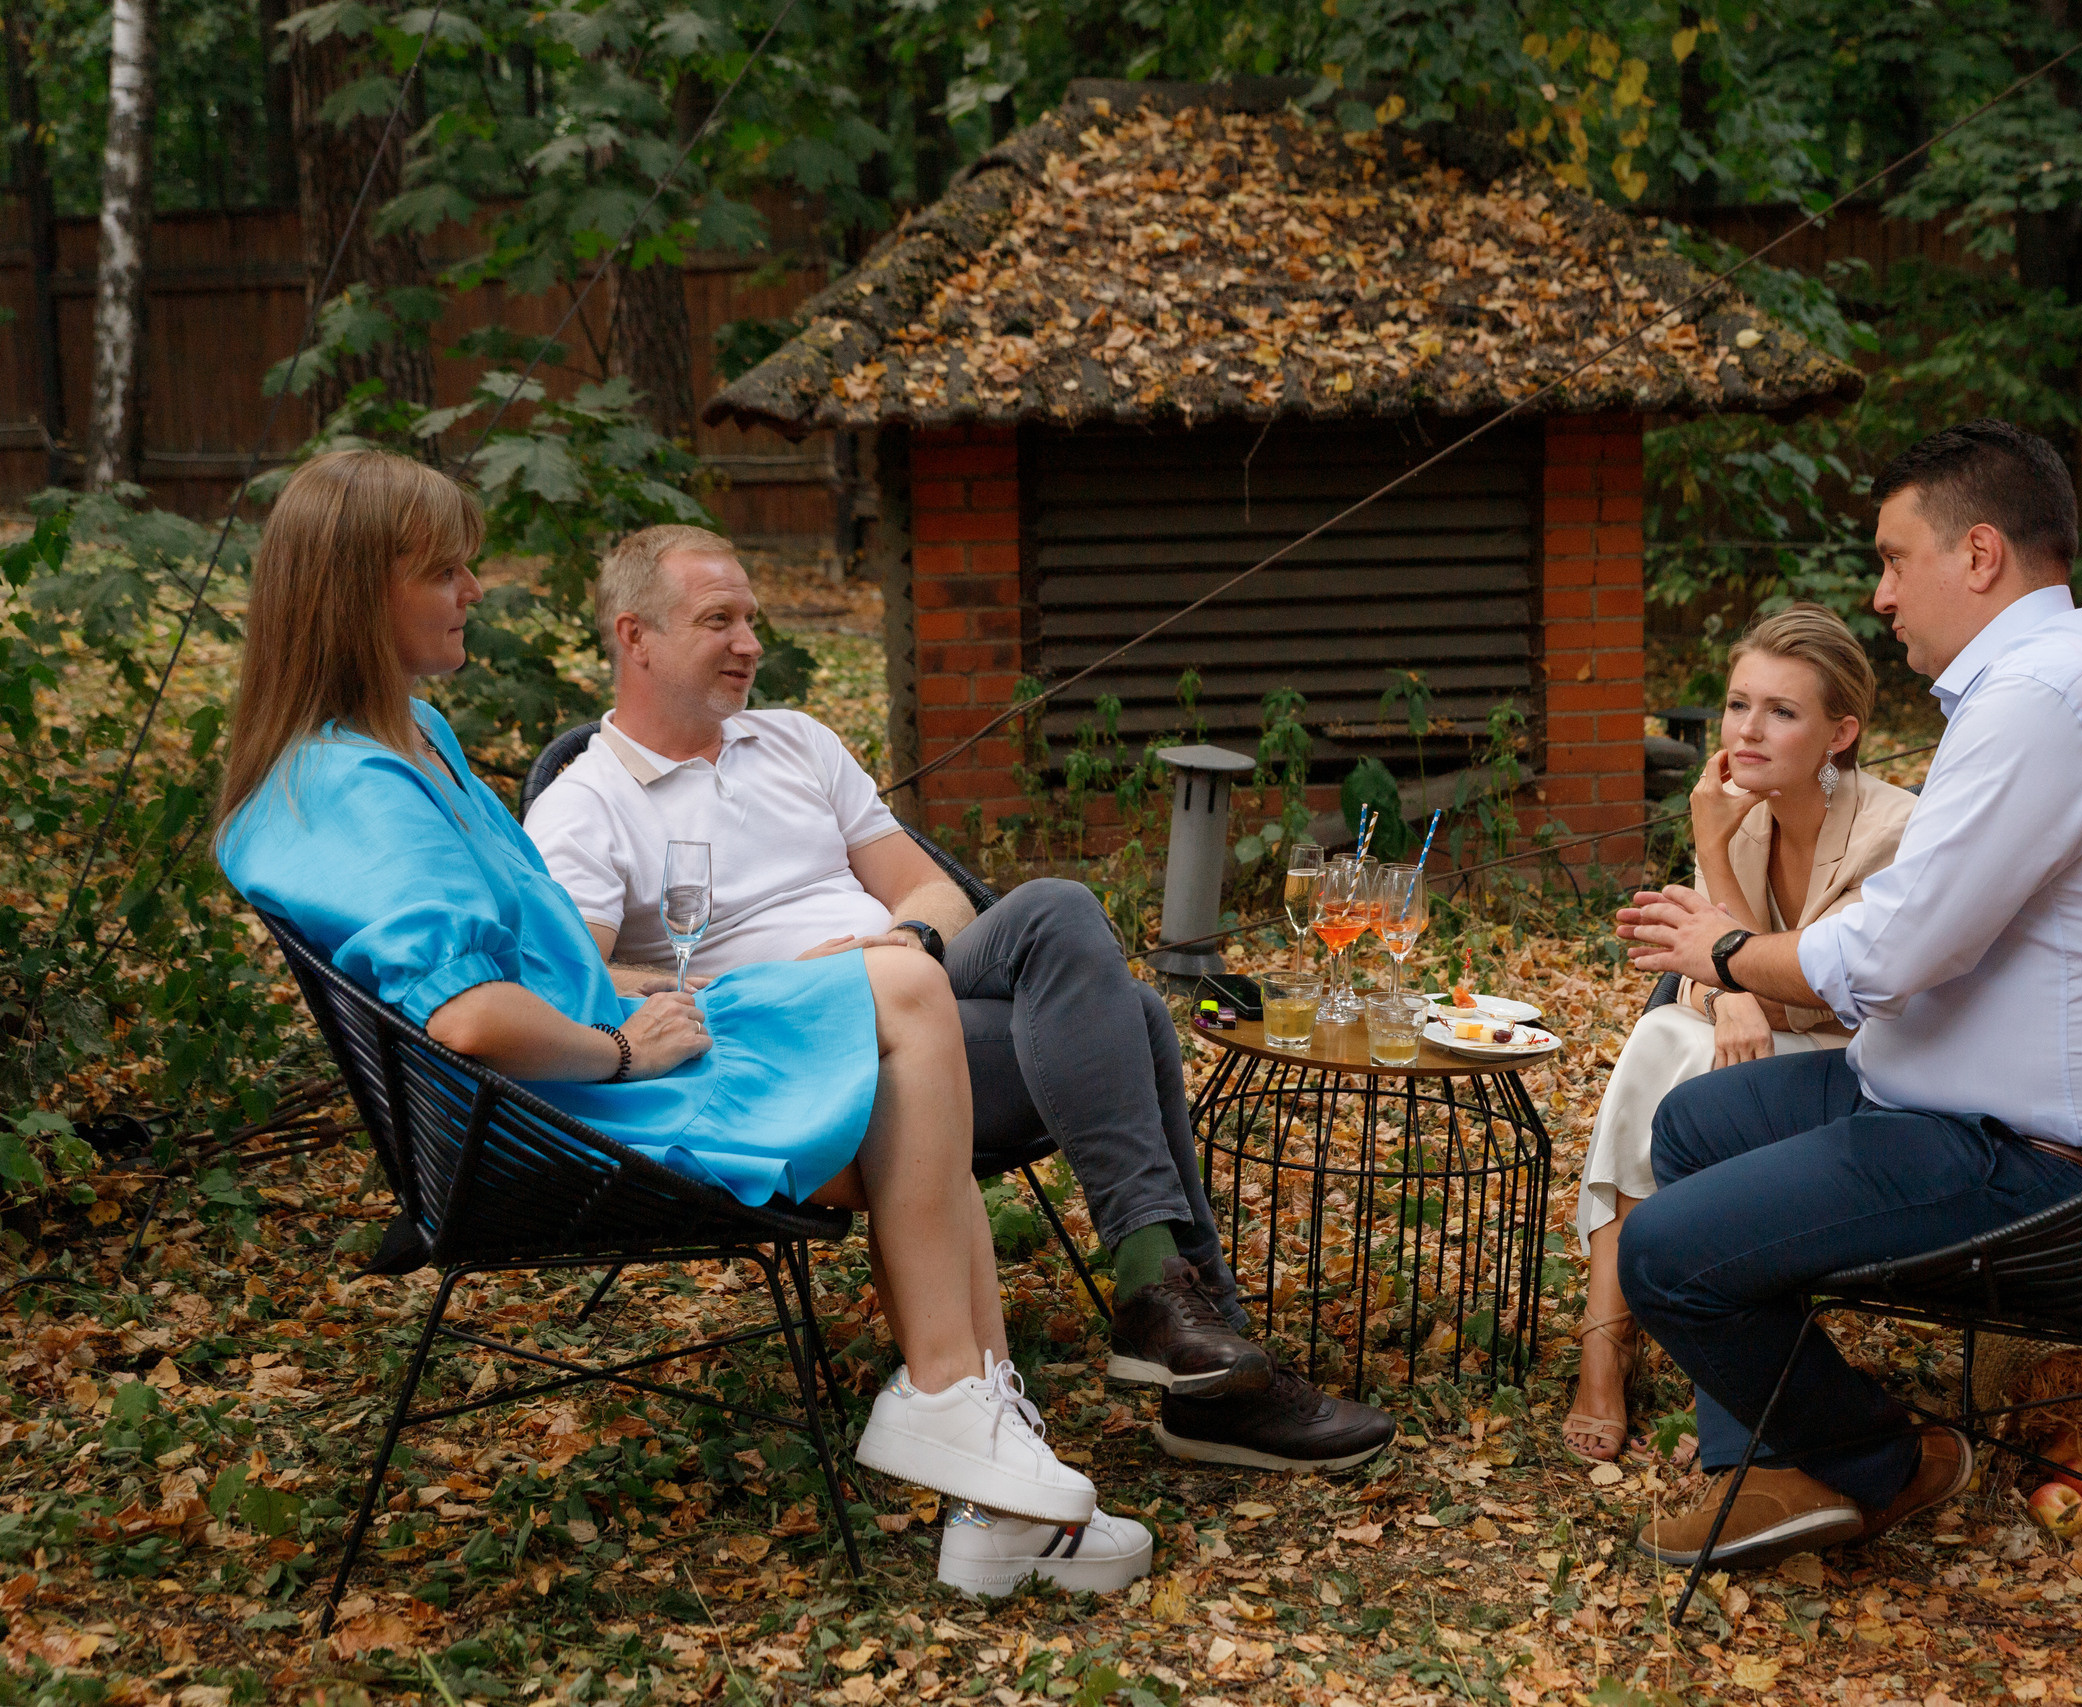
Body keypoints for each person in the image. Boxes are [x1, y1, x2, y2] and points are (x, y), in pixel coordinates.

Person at [217, 450, 1155, 1600]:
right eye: (446, 571)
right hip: (556, 1115)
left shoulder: (412, 740)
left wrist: (636, 1009)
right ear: (360, 593)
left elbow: (535, 957)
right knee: (911, 1031)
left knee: (911, 1012)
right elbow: (465, 1018)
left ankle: (982, 1453)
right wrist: (624, 1043)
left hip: (593, 1062)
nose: (475, 590)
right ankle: (962, 1421)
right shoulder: (352, 788)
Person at [521, 524, 1394, 1474]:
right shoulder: (586, 803)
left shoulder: (794, 743)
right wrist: (767, 984)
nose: (749, 644)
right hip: (806, 1058)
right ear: (634, 636)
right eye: (718, 621)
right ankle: (1196, 1337)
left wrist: (902, 947)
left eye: (752, 620)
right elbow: (578, 981)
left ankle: (1180, 1325)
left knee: (1057, 914)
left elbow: (930, 890)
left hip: (914, 999)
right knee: (1136, 1016)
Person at [1611, 420, 2082, 1567]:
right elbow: (1929, 937)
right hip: (1962, 1101)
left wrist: (1731, 952)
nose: (1882, 596)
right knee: (1691, 1122)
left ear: (1978, 554)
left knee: (1664, 1259)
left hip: (2039, 1161)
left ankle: (1878, 1463)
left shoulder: (2043, 697)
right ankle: (1778, 1468)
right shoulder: (2048, 682)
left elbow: (1889, 954)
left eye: (1895, 559)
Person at [1564, 605, 1913, 1463]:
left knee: (1670, 1046)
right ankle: (1614, 1348)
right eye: (1737, 704)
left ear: (1841, 732)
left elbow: (1845, 995)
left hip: (1856, 1078)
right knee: (1667, 1040)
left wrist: (1727, 970)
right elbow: (1704, 960)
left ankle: (1642, 1349)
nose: (1747, 731)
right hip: (1754, 1055)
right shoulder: (1740, 811)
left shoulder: (1893, 833)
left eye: (1781, 711)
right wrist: (1728, 989)